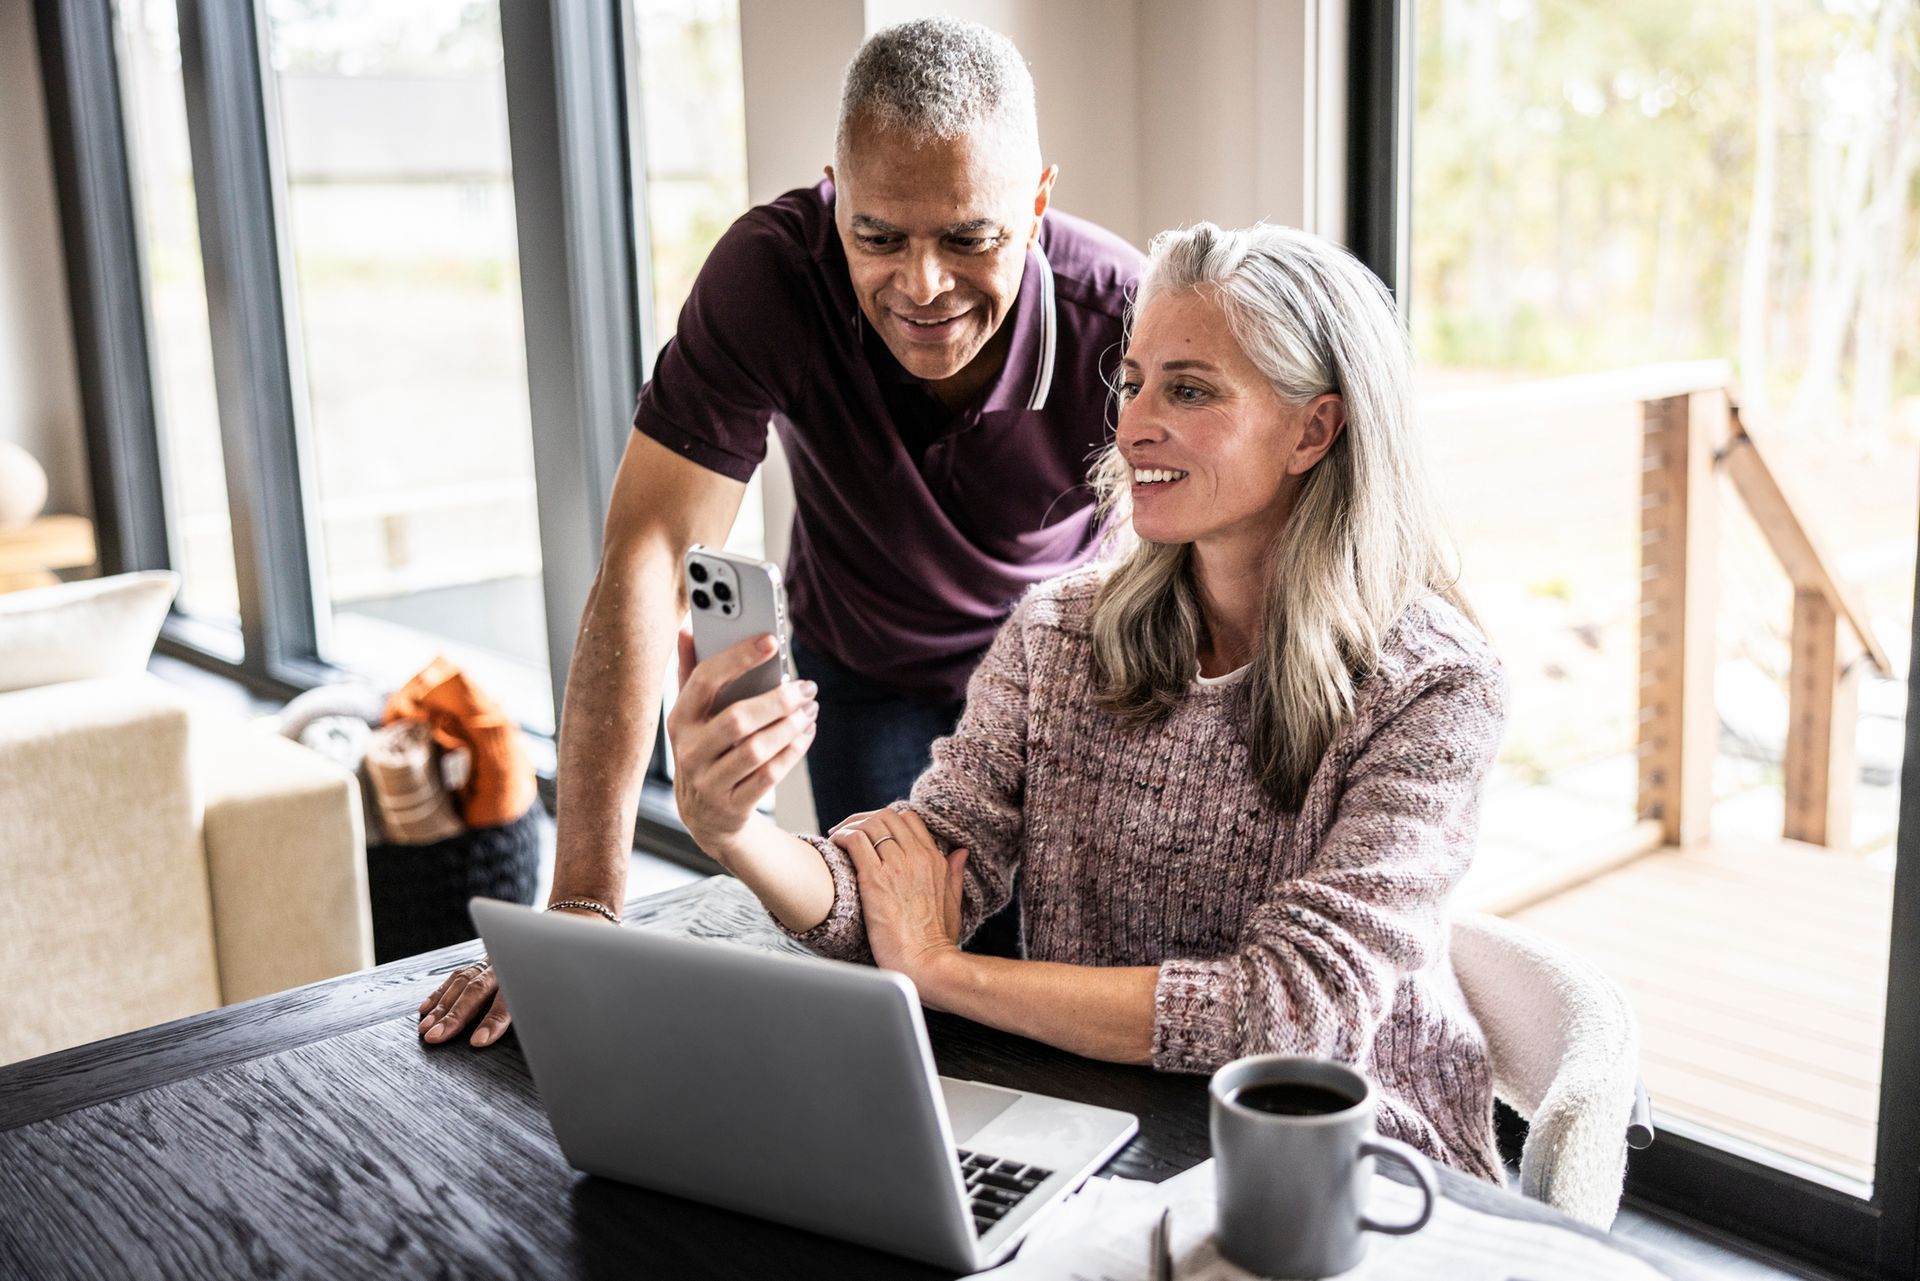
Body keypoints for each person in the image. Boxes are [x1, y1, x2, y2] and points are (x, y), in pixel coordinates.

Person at [667, 223, 1507, 1180]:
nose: (1133, 422)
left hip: (1351, 1166)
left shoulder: (1436, 685)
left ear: (1313, 430)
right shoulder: (1060, 632)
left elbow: (1289, 1013)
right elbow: (918, 879)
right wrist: (734, 831)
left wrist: (945, 972)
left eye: (1188, 389)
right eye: (1133, 380)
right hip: (1095, 1132)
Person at [417, 18, 1142, 1048]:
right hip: (872, 667)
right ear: (834, 195)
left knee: (1051, 983)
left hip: (1061, 683)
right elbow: (649, 552)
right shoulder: (772, 274)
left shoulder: (1120, 318)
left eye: (969, 239)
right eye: (879, 236)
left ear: (1035, 204)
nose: (923, 286)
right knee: (899, 992)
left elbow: (1209, 559)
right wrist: (582, 909)